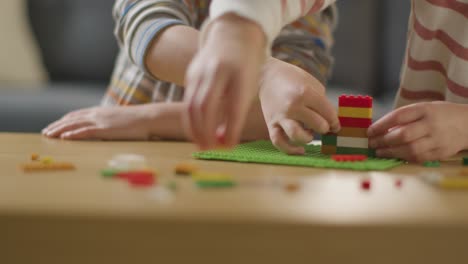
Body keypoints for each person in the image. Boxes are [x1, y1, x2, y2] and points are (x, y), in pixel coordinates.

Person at [43, 0, 340, 155]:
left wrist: (145, 120)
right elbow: (148, 33)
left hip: (237, 169)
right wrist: (264, 72)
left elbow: (288, 113)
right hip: (120, 146)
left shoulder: (303, 7)